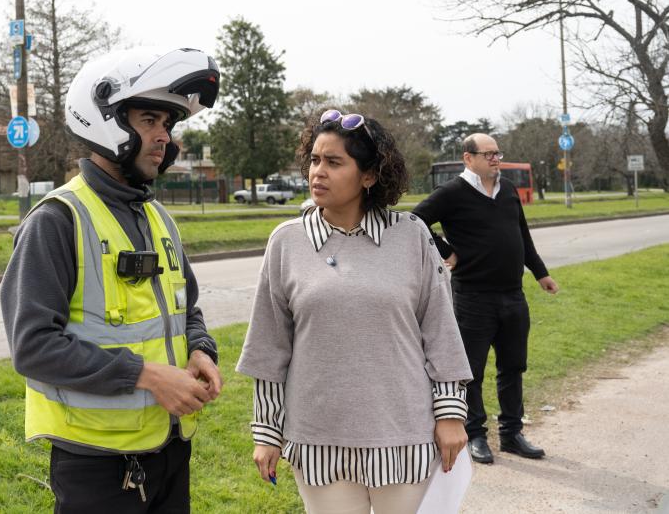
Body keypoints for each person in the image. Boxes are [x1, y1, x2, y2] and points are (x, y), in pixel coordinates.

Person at [0, 47, 223, 513]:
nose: (164, 137)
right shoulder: (59, 220)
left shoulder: (159, 217)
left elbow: (188, 309)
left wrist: (201, 348)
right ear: (106, 121)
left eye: (168, 124)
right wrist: (146, 376)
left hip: (168, 449)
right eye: (149, 121)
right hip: (96, 464)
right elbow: (33, 346)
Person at [236, 110, 473, 513]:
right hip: (318, 439)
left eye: (333, 162)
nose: (318, 172)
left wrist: (450, 413)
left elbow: (441, 332)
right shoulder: (286, 242)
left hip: (403, 436)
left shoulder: (412, 235)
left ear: (368, 176)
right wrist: (266, 433)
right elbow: (269, 348)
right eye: (314, 160)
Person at [412, 133, 559, 465]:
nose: (496, 159)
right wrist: (446, 251)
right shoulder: (452, 193)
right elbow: (414, 221)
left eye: (497, 154)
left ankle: (511, 434)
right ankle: (475, 435)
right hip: (472, 298)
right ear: (469, 158)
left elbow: (522, 234)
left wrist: (540, 273)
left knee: (513, 366)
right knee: (471, 371)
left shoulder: (506, 190)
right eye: (488, 154)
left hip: (513, 296)